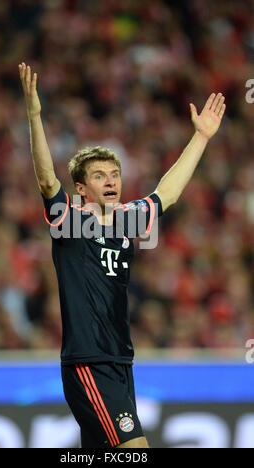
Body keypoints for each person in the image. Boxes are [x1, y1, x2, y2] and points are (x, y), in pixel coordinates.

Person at [19, 62, 226, 448]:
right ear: (80, 188)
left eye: (114, 174)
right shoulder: (69, 221)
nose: (111, 180)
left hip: (120, 361)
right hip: (88, 361)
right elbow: (48, 180)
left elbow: (169, 192)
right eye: (99, 175)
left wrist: (201, 138)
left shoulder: (129, 219)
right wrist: (34, 116)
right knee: (135, 452)